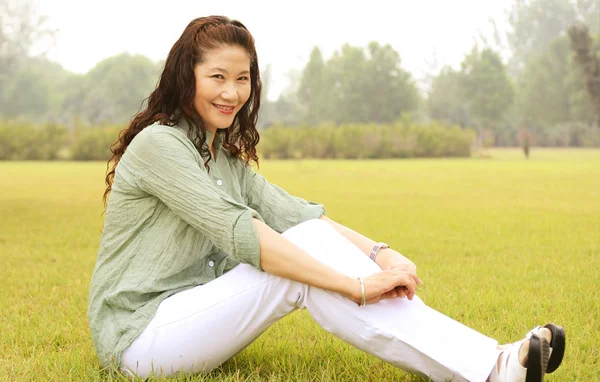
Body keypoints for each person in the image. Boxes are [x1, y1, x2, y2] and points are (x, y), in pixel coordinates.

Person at [88, 15, 565, 382]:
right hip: (138, 338)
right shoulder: (159, 145)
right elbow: (242, 233)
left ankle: (494, 362)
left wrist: (382, 254)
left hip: (192, 317)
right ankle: (493, 368)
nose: (232, 92)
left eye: (243, 78)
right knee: (301, 267)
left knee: (308, 236)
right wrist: (352, 286)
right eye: (217, 77)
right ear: (185, 77)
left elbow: (295, 215)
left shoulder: (222, 155)